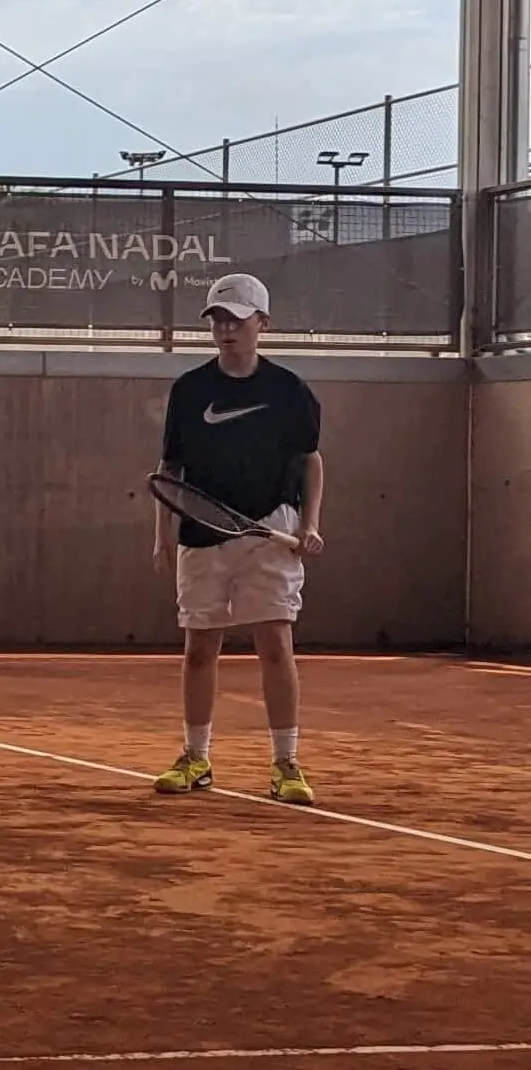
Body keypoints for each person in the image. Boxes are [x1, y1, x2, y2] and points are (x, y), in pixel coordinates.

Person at [152, 272, 325, 807]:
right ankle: (196, 757)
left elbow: (311, 461)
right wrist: (162, 536)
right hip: (201, 535)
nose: (226, 329)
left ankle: (285, 764)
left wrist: (310, 524)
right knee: (200, 647)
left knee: (275, 644)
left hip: (270, 529)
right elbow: (169, 469)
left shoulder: (290, 391)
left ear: (262, 325)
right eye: (218, 320)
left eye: (237, 319)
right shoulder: (189, 390)